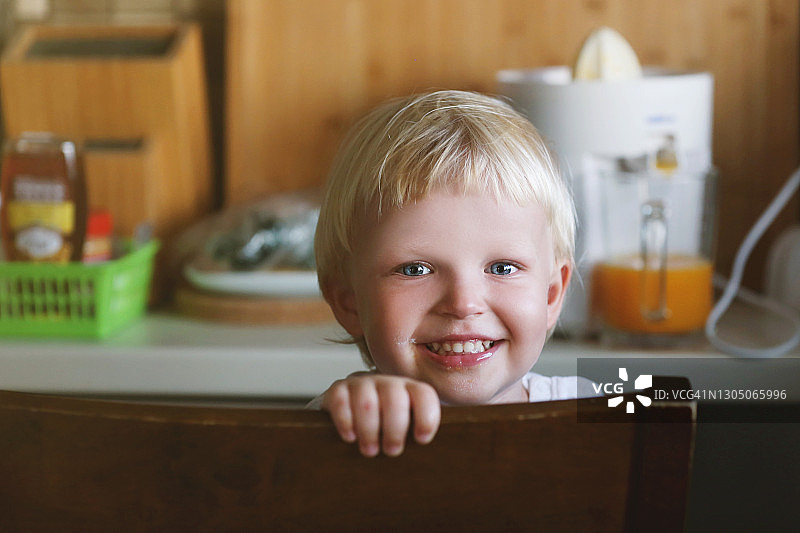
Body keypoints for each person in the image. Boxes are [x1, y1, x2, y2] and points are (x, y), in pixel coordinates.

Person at [310, 90, 595, 457]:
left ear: (551, 294)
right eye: (415, 270)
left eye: (502, 268)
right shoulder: (345, 422)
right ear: (348, 302)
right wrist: (342, 426)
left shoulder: (590, 412)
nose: (463, 303)